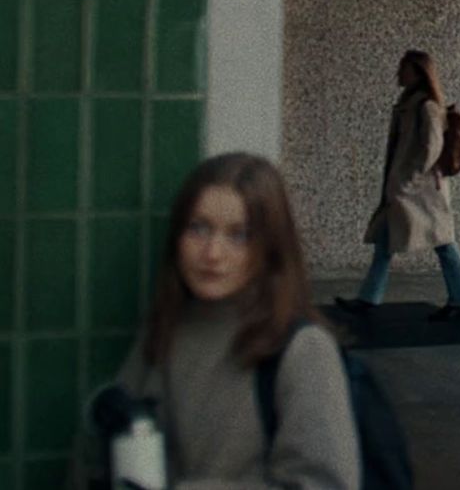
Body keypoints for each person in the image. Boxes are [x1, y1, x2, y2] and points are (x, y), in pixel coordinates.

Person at [77, 153, 360, 487]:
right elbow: (98, 456)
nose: (212, 253)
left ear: (270, 247)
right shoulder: (166, 329)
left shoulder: (303, 350)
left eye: (238, 235)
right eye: (198, 228)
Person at [337, 49, 460, 322]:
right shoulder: (410, 103)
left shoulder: (426, 106)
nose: (399, 73)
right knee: (387, 241)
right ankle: (369, 298)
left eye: (404, 68)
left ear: (419, 72)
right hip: (408, 189)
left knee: (444, 242)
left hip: (421, 191)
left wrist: (409, 179)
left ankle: (459, 300)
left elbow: (431, 147)